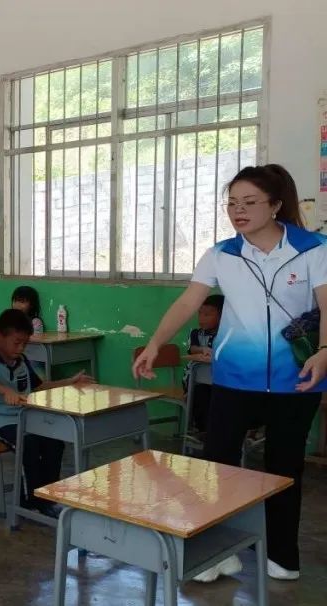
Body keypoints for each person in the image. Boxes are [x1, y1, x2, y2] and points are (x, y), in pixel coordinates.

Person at [133, 164, 327, 582]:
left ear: (275, 205)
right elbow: (188, 303)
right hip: (234, 378)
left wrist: (325, 351)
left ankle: (282, 556)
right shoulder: (222, 254)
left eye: (250, 202)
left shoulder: (314, 248)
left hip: (298, 378)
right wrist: (154, 344)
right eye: (232, 203)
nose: (238, 210)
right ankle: (216, 554)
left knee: (284, 468)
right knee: (217, 465)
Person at [0, 309, 93, 517]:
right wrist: (6, 392)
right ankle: (29, 499)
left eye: (25, 343)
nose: (21, 348)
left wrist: (70, 381)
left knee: (54, 442)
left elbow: (39, 386)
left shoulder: (22, 361)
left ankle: (47, 495)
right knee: (27, 444)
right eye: (16, 343)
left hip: (25, 417)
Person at [186, 294, 224, 433]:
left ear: (222, 316)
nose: (201, 318)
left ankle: (216, 431)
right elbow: (192, 349)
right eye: (200, 314)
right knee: (201, 397)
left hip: (218, 381)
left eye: (207, 315)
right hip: (196, 380)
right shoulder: (196, 333)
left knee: (221, 399)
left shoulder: (226, 335)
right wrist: (203, 349)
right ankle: (204, 431)